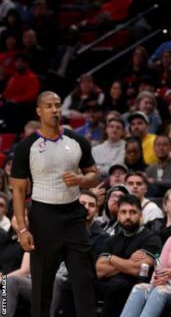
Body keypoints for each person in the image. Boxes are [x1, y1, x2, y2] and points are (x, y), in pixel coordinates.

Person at [10, 91, 99, 317]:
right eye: (48, 106)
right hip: (43, 216)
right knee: (42, 284)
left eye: (58, 105)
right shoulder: (26, 147)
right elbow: (19, 191)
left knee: (84, 279)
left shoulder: (77, 140)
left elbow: (94, 175)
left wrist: (81, 180)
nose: (55, 110)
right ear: (39, 111)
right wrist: (22, 228)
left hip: (73, 216)